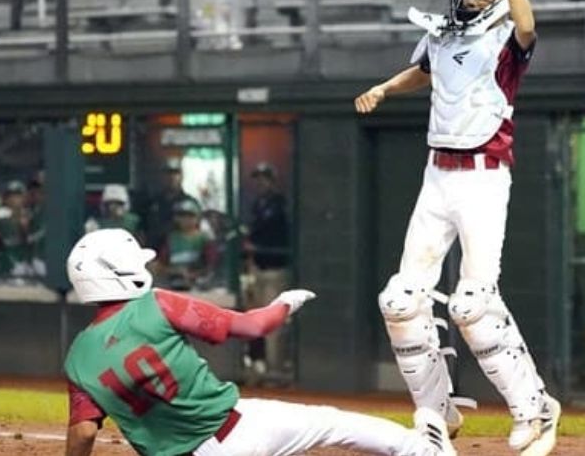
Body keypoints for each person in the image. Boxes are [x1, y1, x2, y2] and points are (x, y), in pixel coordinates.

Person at [354, 0, 560, 456]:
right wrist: (382, 88)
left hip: (483, 176)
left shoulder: (510, 39)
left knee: (473, 304)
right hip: (436, 173)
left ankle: (535, 408)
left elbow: (529, 27)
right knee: (400, 300)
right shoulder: (443, 35)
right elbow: (423, 73)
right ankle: (438, 413)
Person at [61, 229, 456, 456]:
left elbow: (83, 434)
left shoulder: (78, 356)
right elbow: (252, 328)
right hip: (236, 432)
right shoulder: (156, 305)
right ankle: (424, 452)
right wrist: (283, 305)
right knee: (332, 423)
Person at [243, 162, 291, 382]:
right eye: (258, 178)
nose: (260, 182)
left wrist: (255, 244)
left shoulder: (280, 204)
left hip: (276, 268)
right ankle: (259, 367)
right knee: (255, 320)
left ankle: (276, 371)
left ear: (272, 180)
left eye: (265, 178)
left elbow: (273, 232)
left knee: (273, 324)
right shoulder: (258, 204)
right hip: (259, 268)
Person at [156, 198, 218, 291]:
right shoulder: (171, 239)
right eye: (182, 216)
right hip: (173, 285)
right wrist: (176, 271)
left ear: (198, 218)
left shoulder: (204, 239)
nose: (186, 220)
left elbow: (212, 265)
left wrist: (195, 274)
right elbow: (160, 266)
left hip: (199, 285)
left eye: (190, 216)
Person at [143, 159, 200, 251]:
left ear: (181, 176)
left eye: (175, 173)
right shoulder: (152, 202)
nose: (172, 177)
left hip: (180, 252)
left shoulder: (190, 202)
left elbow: (196, 231)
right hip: (154, 252)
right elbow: (143, 229)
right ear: (162, 176)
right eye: (168, 173)